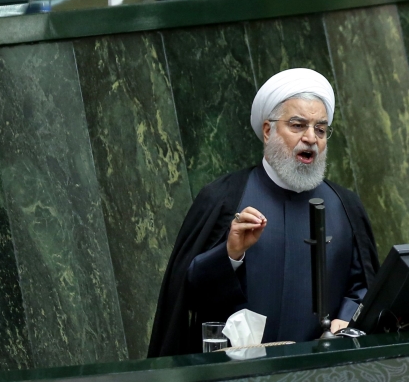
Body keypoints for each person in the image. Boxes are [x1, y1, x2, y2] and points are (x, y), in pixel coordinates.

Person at [148, 68, 379, 356]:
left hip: (321, 367)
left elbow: (363, 288)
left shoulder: (345, 206)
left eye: (320, 129)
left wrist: (346, 321)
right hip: (239, 370)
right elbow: (189, 295)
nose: (311, 138)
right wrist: (230, 255)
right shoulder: (224, 199)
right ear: (268, 131)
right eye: (298, 125)